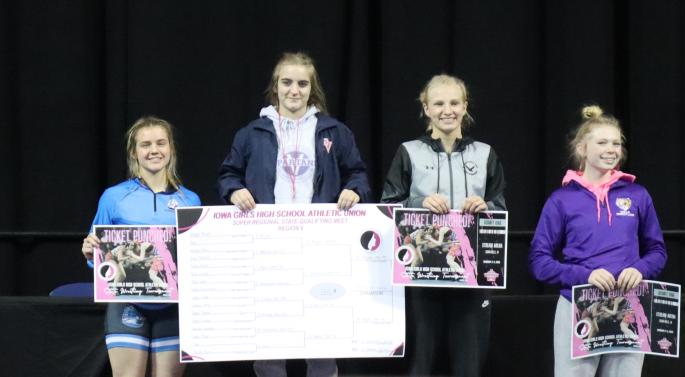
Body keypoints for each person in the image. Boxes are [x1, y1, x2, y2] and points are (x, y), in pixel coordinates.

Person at [217, 51, 371, 377]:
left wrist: (354, 189)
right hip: (266, 247)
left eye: (302, 83)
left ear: (311, 88)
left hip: (320, 246)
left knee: (322, 334)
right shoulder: (251, 133)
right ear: (275, 87)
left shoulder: (334, 132)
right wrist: (234, 190)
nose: (294, 90)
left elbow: (357, 174)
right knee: (271, 335)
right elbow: (227, 174)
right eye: (287, 82)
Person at [381, 74, 506, 377]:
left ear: (465, 106)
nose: (446, 110)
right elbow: (388, 205)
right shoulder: (408, 151)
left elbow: (500, 207)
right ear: (426, 108)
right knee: (420, 363)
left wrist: (485, 207)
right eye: (438, 103)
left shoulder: (486, 153)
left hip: (471, 273)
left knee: (469, 364)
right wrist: (418, 204)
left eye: (454, 102)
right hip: (423, 273)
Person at [529, 105, 667, 377]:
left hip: (628, 305)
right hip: (577, 306)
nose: (611, 149)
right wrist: (585, 275)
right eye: (602, 142)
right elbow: (538, 261)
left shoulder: (638, 195)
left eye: (616, 143)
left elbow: (657, 250)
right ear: (582, 148)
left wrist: (640, 269)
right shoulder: (562, 200)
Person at [81, 116, 200, 377]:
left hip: (174, 307)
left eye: (161, 143)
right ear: (134, 152)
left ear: (171, 149)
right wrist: (91, 251)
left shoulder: (190, 200)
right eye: (145, 145)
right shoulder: (114, 197)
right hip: (127, 303)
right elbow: (98, 257)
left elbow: (197, 257)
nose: (154, 150)